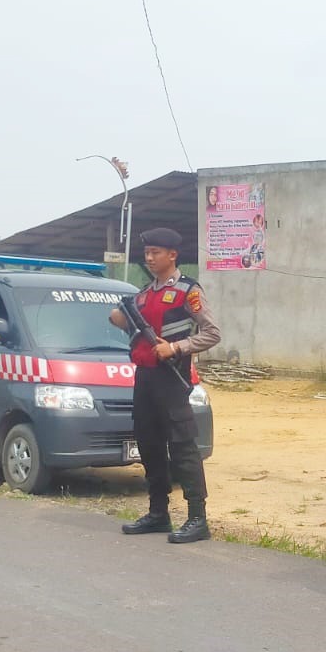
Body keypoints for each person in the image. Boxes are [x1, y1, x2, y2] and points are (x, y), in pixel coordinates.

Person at [109, 228, 221, 543]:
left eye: (156, 252)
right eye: (147, 252)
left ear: (172, 255)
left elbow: (212, 333)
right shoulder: (143, 295)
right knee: (150, 445)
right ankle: (158, 512)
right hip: (144, 378)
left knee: (183, 447)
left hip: (172, 377)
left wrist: (176, 347)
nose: (149, 257)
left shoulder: (188, 291)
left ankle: (197, 518)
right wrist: (118, 317)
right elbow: (123, 320)